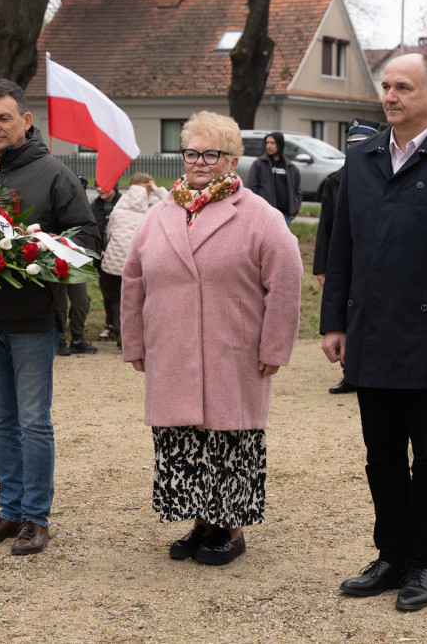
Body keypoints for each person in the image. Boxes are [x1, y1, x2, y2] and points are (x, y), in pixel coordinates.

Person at [321, 54, 427, 611]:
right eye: (387, 86)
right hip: (372, 332)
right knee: (381, 455)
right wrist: (334, 322)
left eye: (404, 87)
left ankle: (422, 562)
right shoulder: (362, 159)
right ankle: (390, 554)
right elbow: (341, 247)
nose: (391, 96)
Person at [121, 110, 302, 566]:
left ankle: (231, 527)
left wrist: (275, 346)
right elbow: (133, 279)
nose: (199, 162)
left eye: (211, 153)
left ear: (234, 159)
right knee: (182, 438)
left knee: (229, 439)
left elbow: (285, 281)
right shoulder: (160, 213)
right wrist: (135, 342)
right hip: (172, 347)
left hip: (232, 348)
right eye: (191, 152)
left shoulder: (259, 215)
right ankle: (200, 522)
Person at [0, 79, 99, 556]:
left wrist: (41, 252)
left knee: (34, 422)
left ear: (25, 119)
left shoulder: (54, 174)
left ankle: (35, 518)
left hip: (34, 318)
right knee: (0, 420)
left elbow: (87, 236)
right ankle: (10, 509)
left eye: (3, 117)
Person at [313, 118, 380, 395]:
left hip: (374, 261)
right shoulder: (335, 181)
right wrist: (321, 267)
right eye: (352, 144)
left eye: (362, 144)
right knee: (348, 315)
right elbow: (326, 227)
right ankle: (350, 371)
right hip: (346, 261)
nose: (357, 149)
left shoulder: (386, 179)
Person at [100, 174, 164, 347]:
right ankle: (138, 338)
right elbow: (174, 204)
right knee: (139, 300)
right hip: (139, 264)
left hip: (112, 262)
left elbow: (110, 233)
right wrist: (157, 190)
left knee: (116, 300)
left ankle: (122, 335)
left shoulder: (118, 209)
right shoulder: (152, 211)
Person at [246, 131, 302, 227]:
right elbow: (251, 189)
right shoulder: (259, 164)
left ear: (280, 144)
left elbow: (297, 192)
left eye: (272, 143)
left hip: (285, 216)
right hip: (265, 215)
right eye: (267, 143)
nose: (269, 146)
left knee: (283, 242)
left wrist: (294, 209)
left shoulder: (291, 167)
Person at [92, 182, 123, 342]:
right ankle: (110, 324)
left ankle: (122, 328)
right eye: (97, 186)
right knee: (107, 294)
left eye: (104, 185)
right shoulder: (94, 207)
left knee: (121, 295)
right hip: (102, 257)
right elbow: (92, 232)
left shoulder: (122, 204)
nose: (99, 189)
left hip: (120, 256)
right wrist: (98, 252)